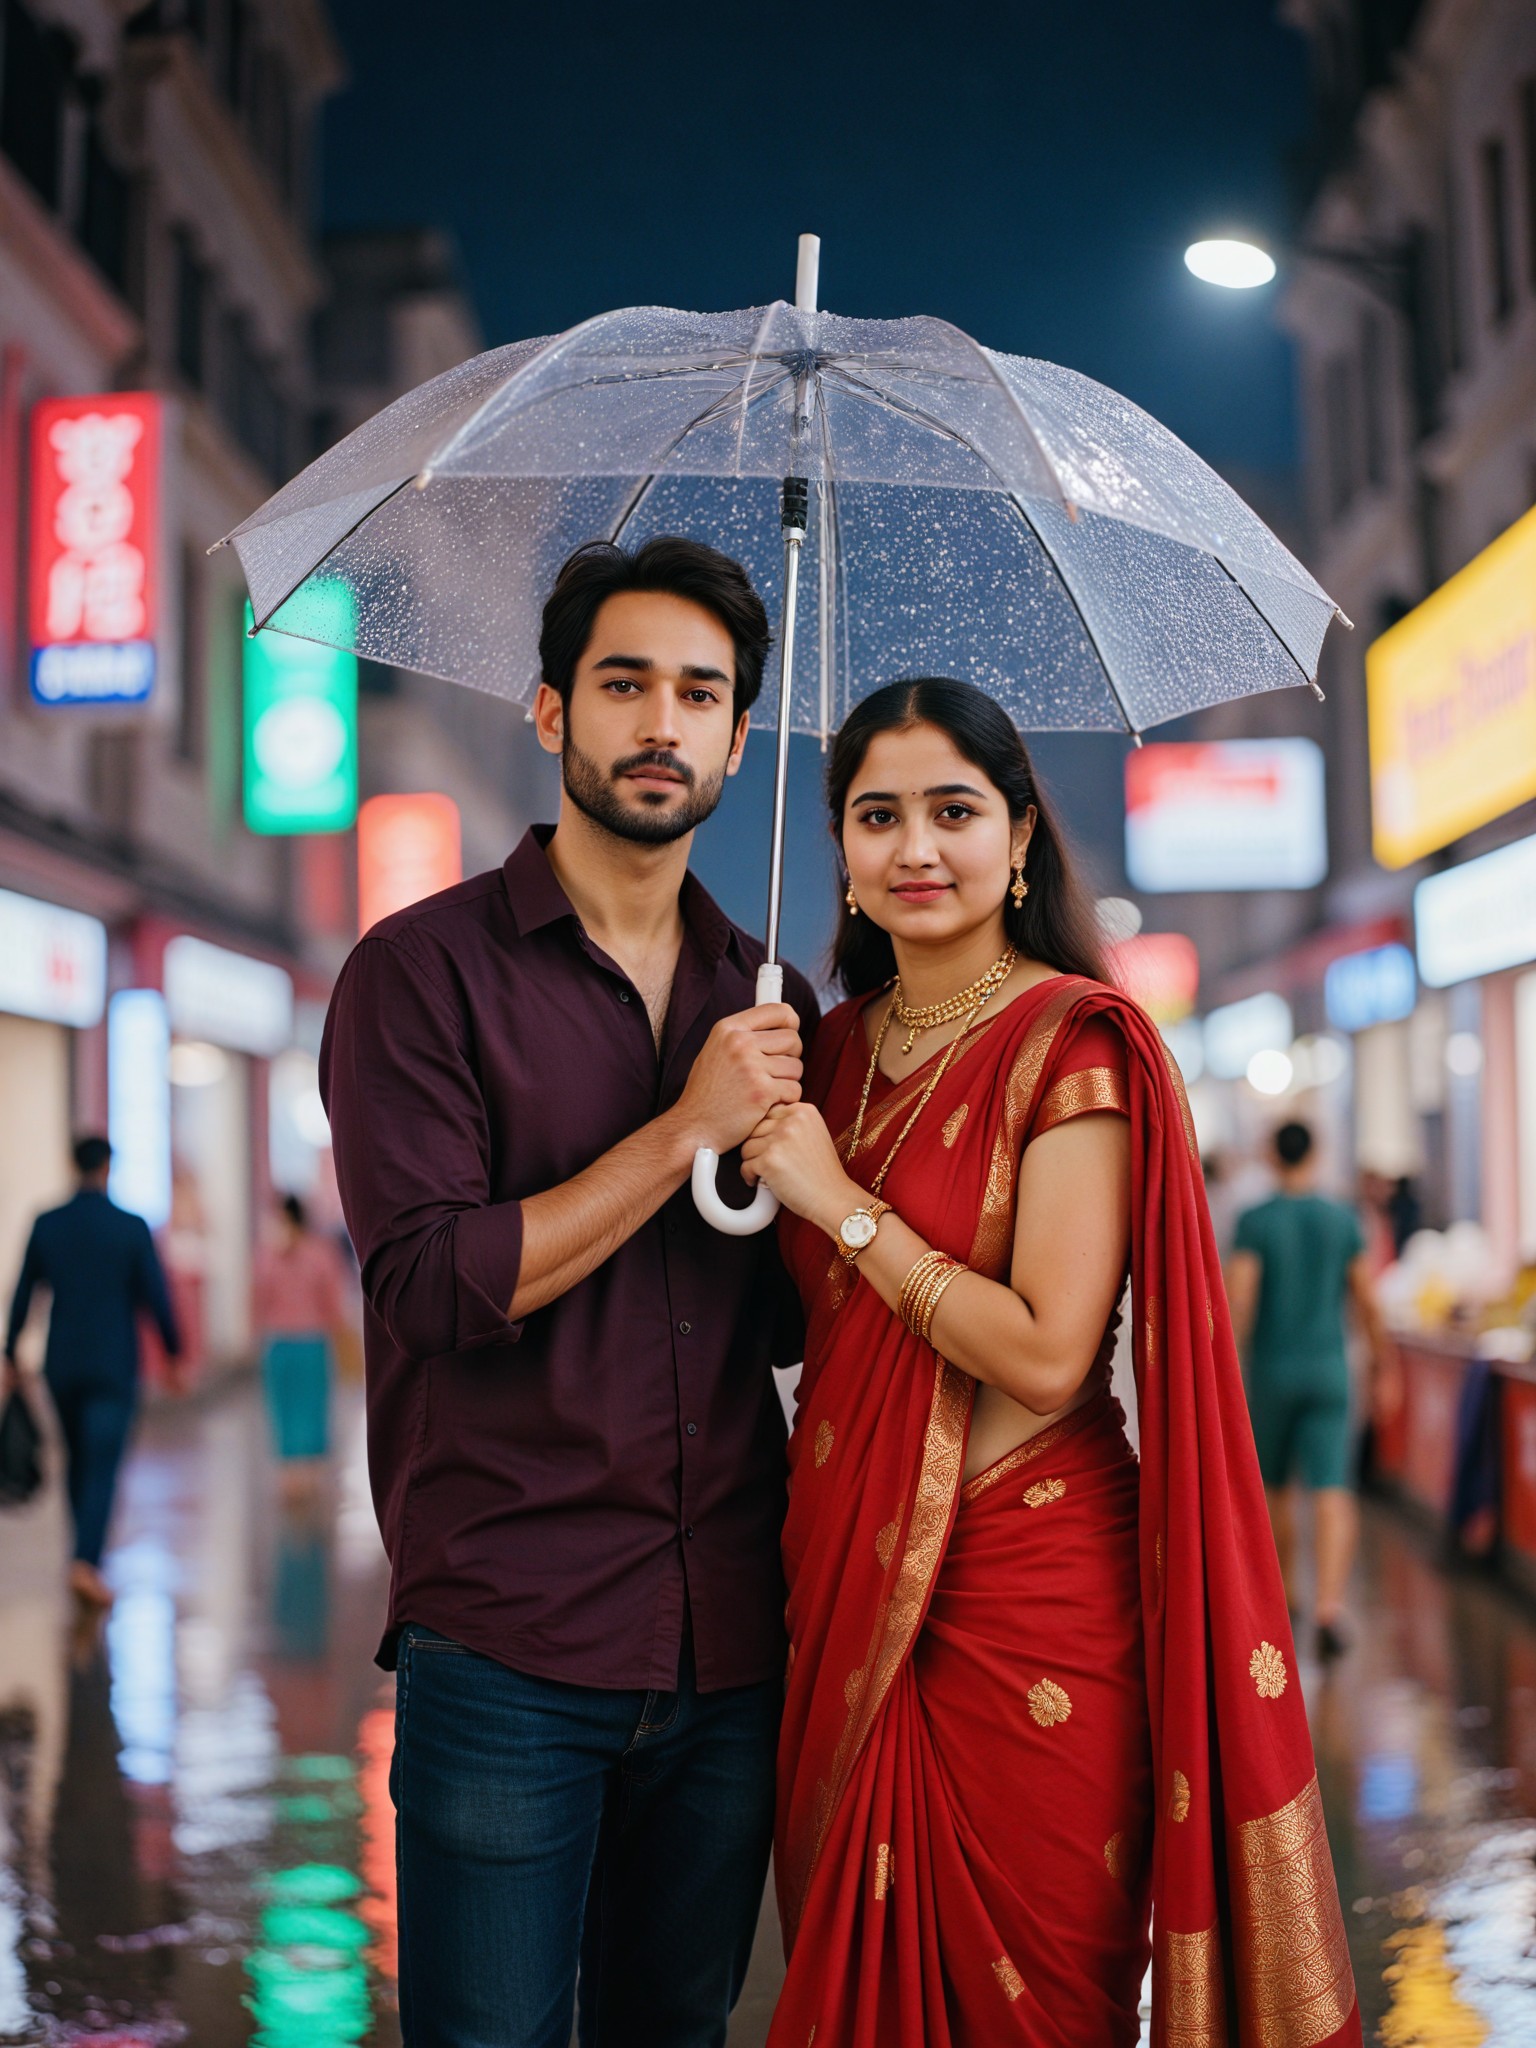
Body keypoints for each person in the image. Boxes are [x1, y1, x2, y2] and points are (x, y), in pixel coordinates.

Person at [739, 679, 1360, 2046]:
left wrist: (837, 1201)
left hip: (1036, 1601)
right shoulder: (818, 1062)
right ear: (838, 849)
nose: (917, 848)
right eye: (877, 815)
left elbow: (1045, 1350)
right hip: (842, 1585)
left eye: (954, 811)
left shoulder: (1073, 1043)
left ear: (1019, 838)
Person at [320, 536, 818, 2048]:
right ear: (552, 716)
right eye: (624, 685)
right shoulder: (420, 976)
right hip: (511, 1645)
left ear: (741, 739)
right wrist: (683, 1134)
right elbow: (432, 1287)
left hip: (730, 1642)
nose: (661, 724)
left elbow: (791, 1327)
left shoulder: (769, 1002)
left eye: (700, 694)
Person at [1227, 1121, 1395, 1661]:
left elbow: (1243, 1302)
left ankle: (1290, 1596)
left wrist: (1228, 1367)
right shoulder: (1342, 1218)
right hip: (1329, 1371)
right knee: (1332, 1488)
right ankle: (1329, 1606)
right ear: (1316, 1153)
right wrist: (1385, 1364)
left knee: (1275, 1488)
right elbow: (1366, 1300)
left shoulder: (1255, 1222)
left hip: (1272, 1373)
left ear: (1272, 1157)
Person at [3, 1135, 182, 1609]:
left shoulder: (48, 1223)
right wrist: (174, 1353)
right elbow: (156, 1296)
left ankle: (82, 1555)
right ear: (108, 1168)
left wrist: (10, 1351)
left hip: (61, 1363)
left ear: (71, 1164)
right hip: (113, 1363)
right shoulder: (129, 1226)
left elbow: (24, 1291)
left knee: (78, 1460)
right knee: (102, 1461)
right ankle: (85, 1561)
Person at [251, 1193, 350, 1497]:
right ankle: (294, 1473)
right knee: (291, 1406)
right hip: (292, 1343)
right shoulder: (278, 1255)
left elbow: (258, 1301)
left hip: (304, 1343)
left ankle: (304, 1472)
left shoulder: (309, 1255)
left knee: (306, 1406)